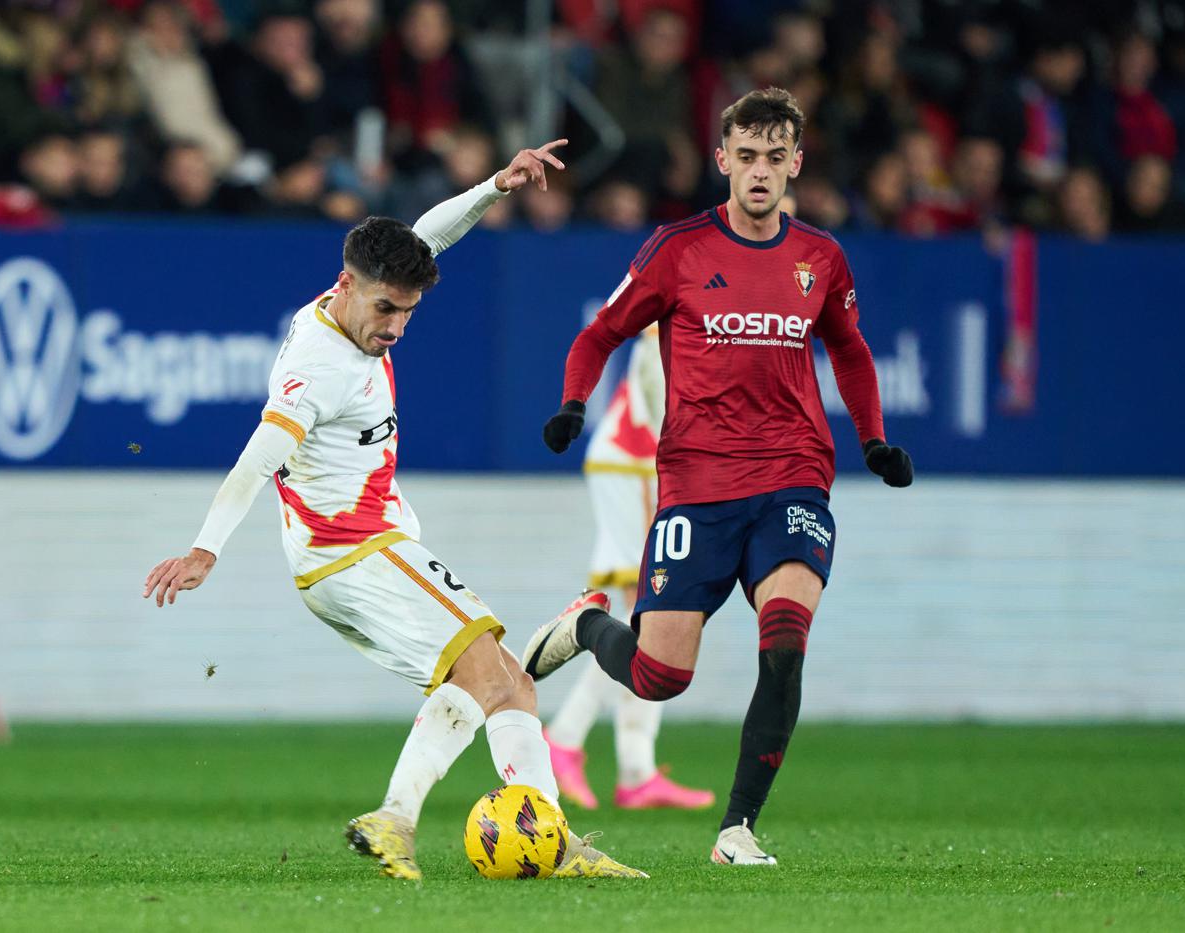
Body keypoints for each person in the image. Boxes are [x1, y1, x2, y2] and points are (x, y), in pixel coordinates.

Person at [142, 138, 644, 882]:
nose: (395, 328)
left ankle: (552, 838)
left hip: (349, 556)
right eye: (385, 309)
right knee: (481, 665)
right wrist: (205, 548)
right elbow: (259, 456)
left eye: (407, 312)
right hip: (358, 549)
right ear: (347, 286)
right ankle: (395, 818)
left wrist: (495, 187)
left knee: (510, 677)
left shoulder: (347, 302)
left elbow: (426, 235)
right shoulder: (318, 368)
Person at [524, 88, 913, 867]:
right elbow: (600, 334)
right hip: (697, 484)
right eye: (747, 157)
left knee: (786, 644)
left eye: (776, 158)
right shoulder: (677, 249)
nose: (760, 172)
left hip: (794, 474)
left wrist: (871, 441)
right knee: (659, 675)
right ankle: (588, 625)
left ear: (796, 163)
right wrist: (572, 404)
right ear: (722, 161)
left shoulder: (821, 258)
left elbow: (852, 351)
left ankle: (738, 828)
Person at [544, 326, 715, 811]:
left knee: (648, 618)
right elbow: (662, 401)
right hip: (635, 466)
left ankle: (630, 764)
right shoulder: (683, 323)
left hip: (626, 462)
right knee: (655, 615)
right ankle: (571, 739)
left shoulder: (680, 316)